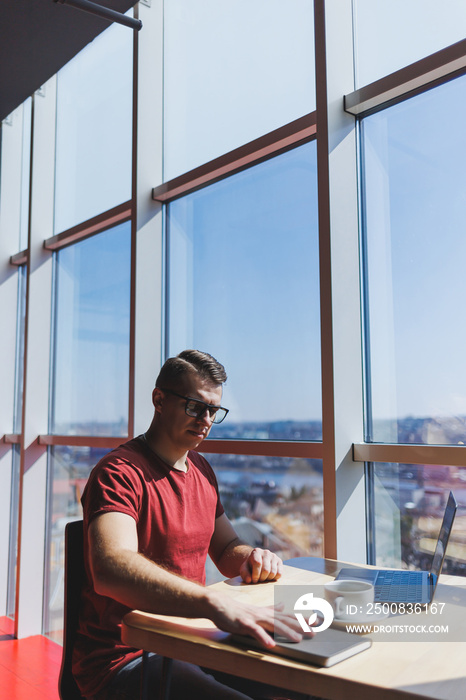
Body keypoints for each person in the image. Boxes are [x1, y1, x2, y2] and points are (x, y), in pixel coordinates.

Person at [72, 350, 311, 700]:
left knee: (304, 680)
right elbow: (110, 569)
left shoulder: (201, 470)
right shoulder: (118, 473)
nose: (206, 419)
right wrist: (214, 605)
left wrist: (252, 557)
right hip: (124, 656)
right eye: (195, 406)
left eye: (214, 410)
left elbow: (227, 548)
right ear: (159, 400)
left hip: (192, 640)